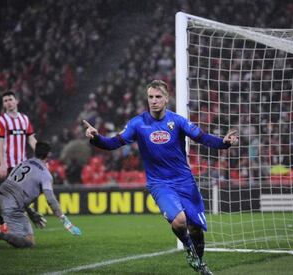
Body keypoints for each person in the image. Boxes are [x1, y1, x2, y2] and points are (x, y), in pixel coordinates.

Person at [83, 80, 238, 274]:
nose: (154, 101)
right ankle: (189, 249)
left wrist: (224, 143)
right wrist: (96, 137)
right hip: (160, 183)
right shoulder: (137, 123)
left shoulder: (178, 121)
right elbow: (113, 143)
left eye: (158, 97)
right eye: (150, 97)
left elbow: (202, 137)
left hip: (185, 181)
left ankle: (199, 263)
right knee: (180, 220)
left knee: (196, 227)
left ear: (166, 99)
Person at [0, 141, 81, 249]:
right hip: (10, 205)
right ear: (48, 155)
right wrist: (66, 222)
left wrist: (31, 212)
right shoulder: (45, 174)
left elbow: (15, 187)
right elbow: (51, 200)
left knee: (0, 214)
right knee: (29, 242)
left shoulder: (22, 163)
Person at [0, 91, 37, 179]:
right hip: (9, 166)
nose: (8, 102)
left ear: (16, 101)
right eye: (5, 101)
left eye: (10, 99)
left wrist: (41, 154)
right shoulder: (1, 120)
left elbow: (31, 139)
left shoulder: (24, 119)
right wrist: (2, 164)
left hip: (23, 165)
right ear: (3, 104)